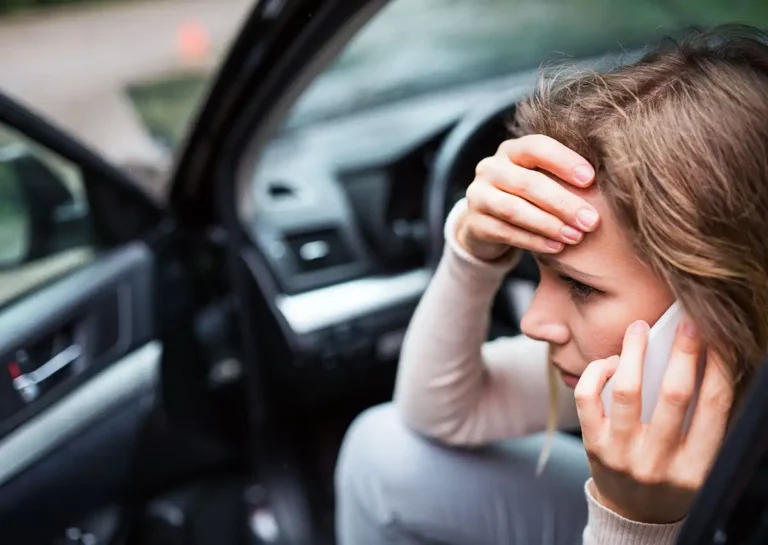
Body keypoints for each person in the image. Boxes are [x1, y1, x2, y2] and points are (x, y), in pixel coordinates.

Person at [334, 24, 768, 545]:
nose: (532, 322)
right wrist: (471, 250)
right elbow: (443, 414)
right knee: (384, 451)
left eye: (582, 288)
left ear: (723, 299)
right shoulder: (645, 367)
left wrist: (630, 527)